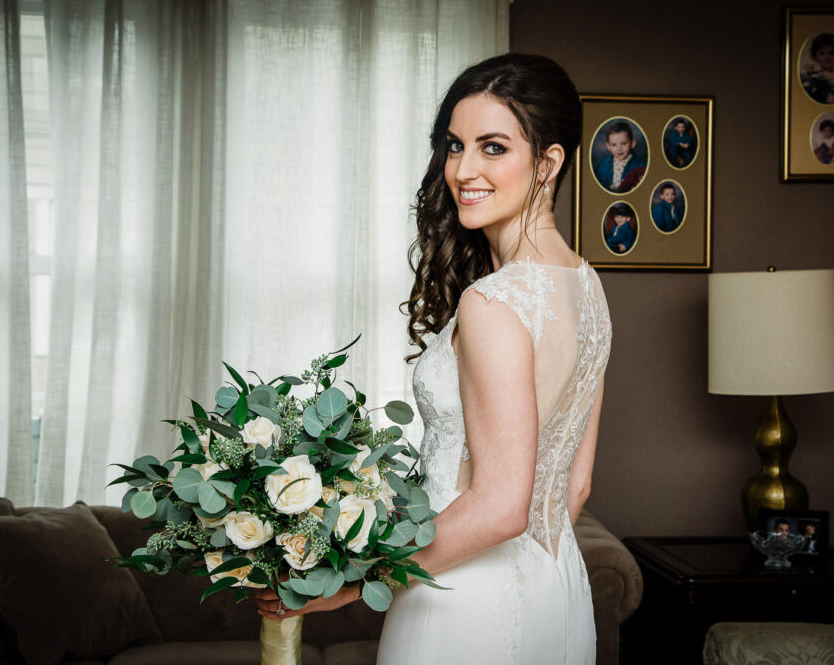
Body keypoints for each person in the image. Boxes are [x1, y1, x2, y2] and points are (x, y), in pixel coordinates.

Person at [257, 53, 610, 664]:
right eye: (454, 146)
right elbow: (573, 488)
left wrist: (345, 585)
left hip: (464, 603)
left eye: (493, 147)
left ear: (549, 162)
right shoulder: (587, 285)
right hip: (557, 591)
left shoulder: (492, 303)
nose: (463, 169)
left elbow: (501, 508)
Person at [592, 120, 646, 193]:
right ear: (608, 146)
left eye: (623, 143)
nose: (619, 148)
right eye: (614, 145)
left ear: (632, 143)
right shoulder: (604, 164)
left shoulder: (639, 165)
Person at [800, 32, 834, 104]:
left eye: (831, 53)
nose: (827, 57)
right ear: (815, 56)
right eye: (822, 53)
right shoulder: (812, 75)